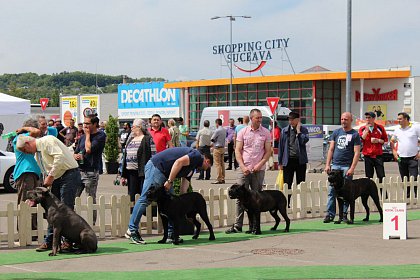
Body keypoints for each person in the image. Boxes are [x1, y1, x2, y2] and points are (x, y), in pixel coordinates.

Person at [125, 147, 213, 244]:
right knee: (146, 198)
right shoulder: (196, 156)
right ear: (207, 161)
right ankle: (132, 231)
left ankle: (171, 234)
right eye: (208, 168)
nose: (205, 170)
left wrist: (183, 201)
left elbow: (185, 184)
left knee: (172, 203)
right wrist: (170, 181)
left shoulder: (193, 167)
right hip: (157, 168)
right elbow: (178, 163)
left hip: (166, 173)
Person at [16, 135, 81, 252]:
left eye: (25, 150)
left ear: (27, 143)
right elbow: (46, 169)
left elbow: (59, 157)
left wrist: (50, 176)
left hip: (69, 174)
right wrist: (48, 179)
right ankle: (50, 241)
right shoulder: (37, 153)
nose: (27, 153)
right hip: (57, 176)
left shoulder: (47, 141)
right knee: (52, 210)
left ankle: (67, 242)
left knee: (66, 208)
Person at [226, 108, 271, 234]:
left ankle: (255, 227)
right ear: (251, 118)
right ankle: (237, 225)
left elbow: (268, 152)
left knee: (257, 198)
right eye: (258, 118)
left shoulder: (266, 132)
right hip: (244, 168)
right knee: (240, 198)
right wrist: (242, 166)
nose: (260, 120)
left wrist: (260, 164)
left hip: (258, 170)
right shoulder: (243, 132)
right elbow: (237, 150)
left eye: (261, 117)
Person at [323, 112, 361, 223]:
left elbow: (357, 152)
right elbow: (331, 149)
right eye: (342, 119)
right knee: (331, 191)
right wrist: (327, 164)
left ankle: (344, 215)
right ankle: (330, 214)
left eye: (346, 119)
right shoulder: (336, 132)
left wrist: (352, 168)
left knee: (346, 193)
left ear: (350, 121)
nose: (343, 121)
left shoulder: (355, 134)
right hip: (335, 166)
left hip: (346, 167)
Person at [74, 114, 106, 224]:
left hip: (91, 172)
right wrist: (76, 156)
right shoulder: (82, 137)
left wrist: (87, 134)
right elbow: (77, 151)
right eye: (84, 123)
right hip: (79, 171)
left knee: (90, 199)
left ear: (95, 124)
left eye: (88, 123)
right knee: (74, 198)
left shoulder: (100, 136)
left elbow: (88, 149)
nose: (85, 125)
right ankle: (74, 224)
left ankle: (92, 224)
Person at [13, 118, 42, 232]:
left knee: (33, 201)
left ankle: (33, 230)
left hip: (32, 173)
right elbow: (36, 131)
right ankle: (24, 230)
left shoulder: (29, 139)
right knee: (26, 201)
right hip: (25, 173)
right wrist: (24, 128)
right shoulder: (20, 138)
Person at [278, 112, 309, 208]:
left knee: (301, 183)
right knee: (287, 183)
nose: (290, 121)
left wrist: (298, 132)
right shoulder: (284, 131)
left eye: (292, 119)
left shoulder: (304, 130)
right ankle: (286, 204)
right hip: (288, 160)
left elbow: (304, 141)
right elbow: (281, 147)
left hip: (300, 161)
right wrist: (280, 162)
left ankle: (301, 204)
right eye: (289, 119)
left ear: (297, 120)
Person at [120, 119, 153, 204]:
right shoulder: (131, 139)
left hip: (142, 172)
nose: (132, 129)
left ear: (139, 127)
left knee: (143, 194)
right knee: (132, 195)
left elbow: (153, 155)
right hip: (130, 171)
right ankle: (133, 212)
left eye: (133, 126)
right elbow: (124, 156)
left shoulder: (147, 139)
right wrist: (122, 174)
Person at [390, 112, 420, 194]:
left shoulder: (415, 128)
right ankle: (407, 196)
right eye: (398, 119)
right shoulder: (397, 129)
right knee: (404, 179)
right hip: (401, 158)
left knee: (413, 178)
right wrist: (394, 152)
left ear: (406, 119)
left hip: (413, 158)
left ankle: (415, 197)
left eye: (400, 119)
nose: (398, 120)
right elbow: (392, 141)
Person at [359, 111, 388, 183]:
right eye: (366, 118)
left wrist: (378, 140)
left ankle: (384, 193)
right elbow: (361, 139)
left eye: (369, 118)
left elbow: (385, 140)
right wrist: (366, 130)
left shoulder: (380, 128)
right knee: (369, 177)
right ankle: (369, 193)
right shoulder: (362, 128)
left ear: (374, 118)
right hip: (367, 155)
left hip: (378, 155)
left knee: (381, 176)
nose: (368, 119)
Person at [211, 118, 227, 184]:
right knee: (222, 163)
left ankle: (219, 178)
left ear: (217, 123)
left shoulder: (217, 130)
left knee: (217, 164)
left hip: (217, 148)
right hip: (222, 148)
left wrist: (214, 142)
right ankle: (223, 178)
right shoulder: (224, 129)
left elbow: (212, 139)